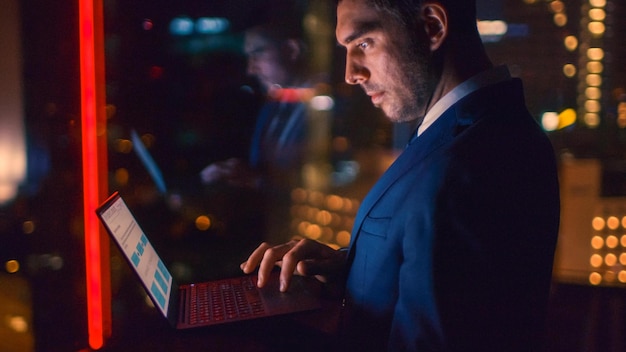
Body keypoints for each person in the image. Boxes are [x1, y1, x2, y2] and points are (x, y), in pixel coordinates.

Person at [240, 0, 561, 351]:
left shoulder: (466, 164)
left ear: (432, 27)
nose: (350, 74)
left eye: (363, 43)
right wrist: (347, 268)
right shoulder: (469, 133)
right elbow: (445, 263)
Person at [200, 18, 314, 243]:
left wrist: (256, 181)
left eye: (258, 54)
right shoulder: (272, 107)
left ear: (291, 50)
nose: (250, 69)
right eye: (248, 57)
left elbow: (323, 188)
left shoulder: (329, 114)